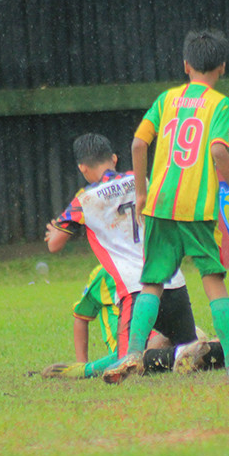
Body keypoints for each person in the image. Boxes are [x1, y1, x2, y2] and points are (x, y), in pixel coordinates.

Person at [101, 28, 229, 383]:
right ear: (222, 67)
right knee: (213, 282)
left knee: (152, 283)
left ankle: (132, 355)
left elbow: (138, 144)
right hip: (196, 208)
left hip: (160, 203)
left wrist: (142, 193)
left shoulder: (167, 99)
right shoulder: (220, 104)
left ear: (186, 65)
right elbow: (218, 151)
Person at [45, 133, 198, 379]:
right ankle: (213, 350)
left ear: (82, 168)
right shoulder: (140, 180)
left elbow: (54, 245)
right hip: (173, 282)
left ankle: (85, 370)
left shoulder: (84, 199)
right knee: (193, 352)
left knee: (128, 364)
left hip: (135, 290)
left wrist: (54, 231)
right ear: (114, 159)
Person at [72, 265, 120, 363]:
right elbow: (81, 316)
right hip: (122, 351)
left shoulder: (148, 266)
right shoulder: (105, 272)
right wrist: (81, 365)